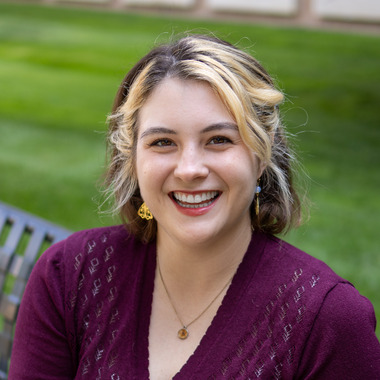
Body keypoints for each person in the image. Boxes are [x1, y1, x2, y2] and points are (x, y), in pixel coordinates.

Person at [9, 34, 380, 379]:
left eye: (219, 139)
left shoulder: (328, 320)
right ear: (132, 158)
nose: (189, 170)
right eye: (162, 142)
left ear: (262, 155)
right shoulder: (68, 277)